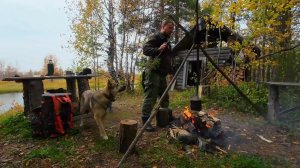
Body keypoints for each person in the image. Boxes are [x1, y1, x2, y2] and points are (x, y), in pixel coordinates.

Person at [141, 20, 175, 132]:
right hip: (153, 72)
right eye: (170, 27)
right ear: (163, 26)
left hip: (162, 74)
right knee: (151, 97)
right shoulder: (156, 37)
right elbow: (145, 49)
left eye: (172, 28)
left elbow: (167, 58)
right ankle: (145, 122)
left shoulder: (167, 41)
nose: (172, 30)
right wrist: (158, 49)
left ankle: (164, 119)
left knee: (165, 98)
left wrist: (171, 71)